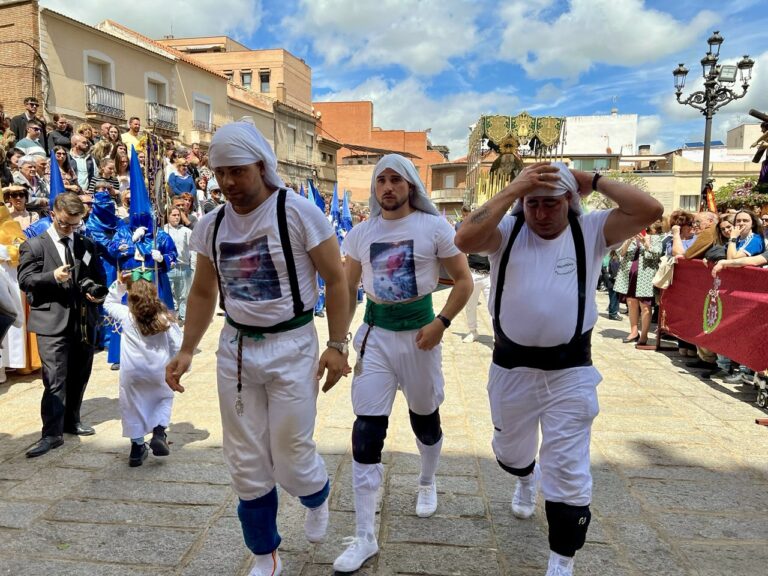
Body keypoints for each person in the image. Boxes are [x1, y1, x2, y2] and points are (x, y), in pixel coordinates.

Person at [454, 162, 662, 576]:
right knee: (510, 452)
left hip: (571, 372)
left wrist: (594, 181)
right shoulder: (507, 231)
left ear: (570, 200)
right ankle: (524, 477)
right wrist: (513, 189)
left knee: (568, 468)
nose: (542, 213)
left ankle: (561, 561)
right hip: (511, 368)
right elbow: (464, 238)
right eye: (533, 204)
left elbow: (650, 210)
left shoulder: (591, 231)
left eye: (551, 203)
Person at [165, 122, 349, 576]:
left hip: (293, 344)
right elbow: (203, 291)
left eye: (238, 171)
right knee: (245, 457)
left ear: (262, 166)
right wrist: (186, 349)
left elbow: (336, 279)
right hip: (237, 349)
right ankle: (265, 552)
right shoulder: (211, 225)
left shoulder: (299, 213)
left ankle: (315, 494)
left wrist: (337, 344)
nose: (228, 182)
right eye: (220, 173)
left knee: (290, 451)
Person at [332, 154, 472, 573]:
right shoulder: (360, 234)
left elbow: (463, 281)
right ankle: (364, 535)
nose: (388, 187)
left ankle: (427, 481)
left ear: (411, 185)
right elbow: (347, 289)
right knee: (366, 429)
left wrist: (442, 323)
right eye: (381, 180)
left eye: (396, 180)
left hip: (420, 337)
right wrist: (338, 343)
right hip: (376, 337)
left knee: (425, 420)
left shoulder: (434, 227)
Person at [18, 193, 107, 458]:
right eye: (65, 223)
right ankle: (51, 433)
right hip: (51, 323)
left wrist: (96, 294)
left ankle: (72, 420)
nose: (69, 229)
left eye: (75, 224)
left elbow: (97, 277)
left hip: (83, 322)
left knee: (80, 374)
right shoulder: (35, 245)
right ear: (53, 214)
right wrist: (52, 277)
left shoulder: (86, 244)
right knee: (55, 379)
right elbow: (25, 280)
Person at [104, 273, 181, 466]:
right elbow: (177, 345)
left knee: (133, 406)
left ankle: (137, 448)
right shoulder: (165, 319)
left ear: (131, 299)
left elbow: (108, 303)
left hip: (132, 372)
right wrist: (177, 367)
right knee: (163, 399)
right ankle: (159, 432)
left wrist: (120, 284)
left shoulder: (127, 316)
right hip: (159, 371)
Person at [456, 204, 491, 343]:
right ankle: (473, 331)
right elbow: (460, 249)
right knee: (470, 305)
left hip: (489, 275)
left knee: (493, 307)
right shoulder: (468, 230)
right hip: (473, 273)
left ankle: (498, 337)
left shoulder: (490, 230)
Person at [163, 207, 195, 325]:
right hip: (168, 268)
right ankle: (172, 318)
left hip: (184, 266)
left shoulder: (186, 231)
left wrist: (193, 267)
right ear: (168, 216)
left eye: (178, 215)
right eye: (174, 215)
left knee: (184, 295)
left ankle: (183, 317)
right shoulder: (163, 231)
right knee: (169, 294)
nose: (176, 217)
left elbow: (193, 250)